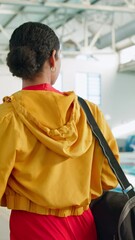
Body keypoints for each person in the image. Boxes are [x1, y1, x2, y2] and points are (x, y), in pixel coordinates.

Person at [0, 22, 119, 240]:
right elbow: (109, 177)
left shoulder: (7, 116)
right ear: (53, 58)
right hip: (83, 226)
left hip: (31, 227)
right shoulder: (89, 113)